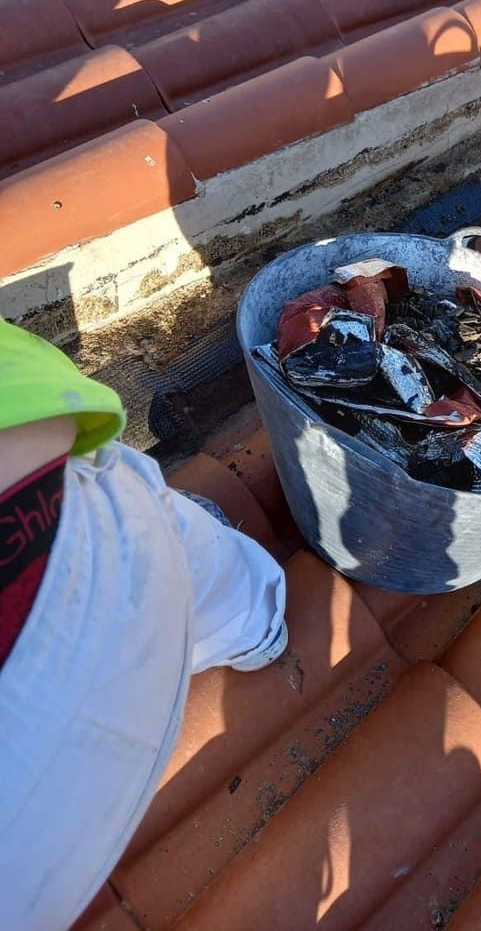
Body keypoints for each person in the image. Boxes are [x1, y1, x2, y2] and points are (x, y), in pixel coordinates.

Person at [0, 319, 288, 930]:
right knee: (176, 547)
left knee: (160, 547)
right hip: (63, 509)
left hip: (26, 854)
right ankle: (257, 625)